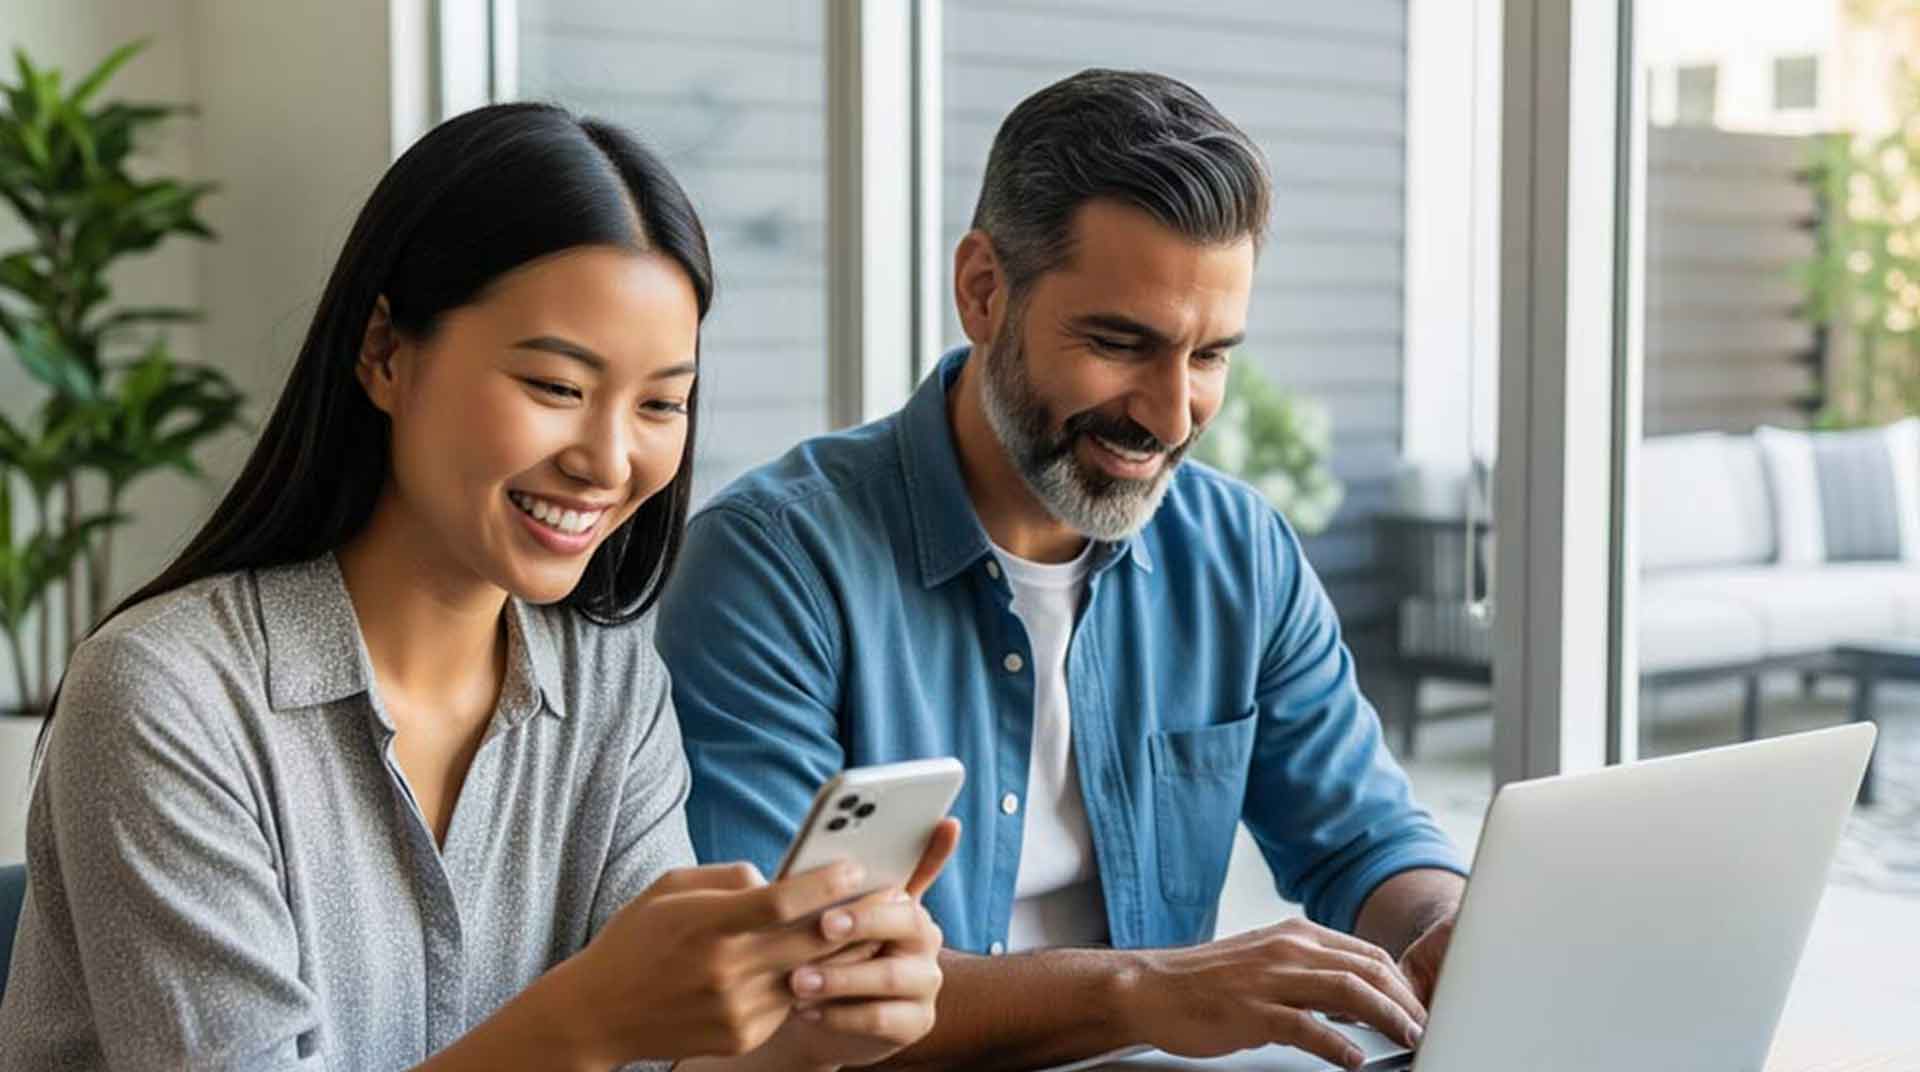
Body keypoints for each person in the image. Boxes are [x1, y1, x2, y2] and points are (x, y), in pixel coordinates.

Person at [0, 103, 956, 1072]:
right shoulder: (168, 692)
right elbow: (611, 1031)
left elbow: (661, 1058)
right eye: (555, 387)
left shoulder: (610, 689)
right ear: (384, 353)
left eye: (662, 402)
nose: (608, 460)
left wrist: (797, 1035)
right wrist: (588, 1018)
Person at [658, 69, 1465, 1072]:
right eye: (1121, 343)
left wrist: (1448, 924)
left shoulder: (1239, 553)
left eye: (1210, 356)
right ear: (984, 290)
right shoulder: (773, 565)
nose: (1172, 417)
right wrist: (1148, 991)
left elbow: (1363, 842)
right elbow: (793, 994)